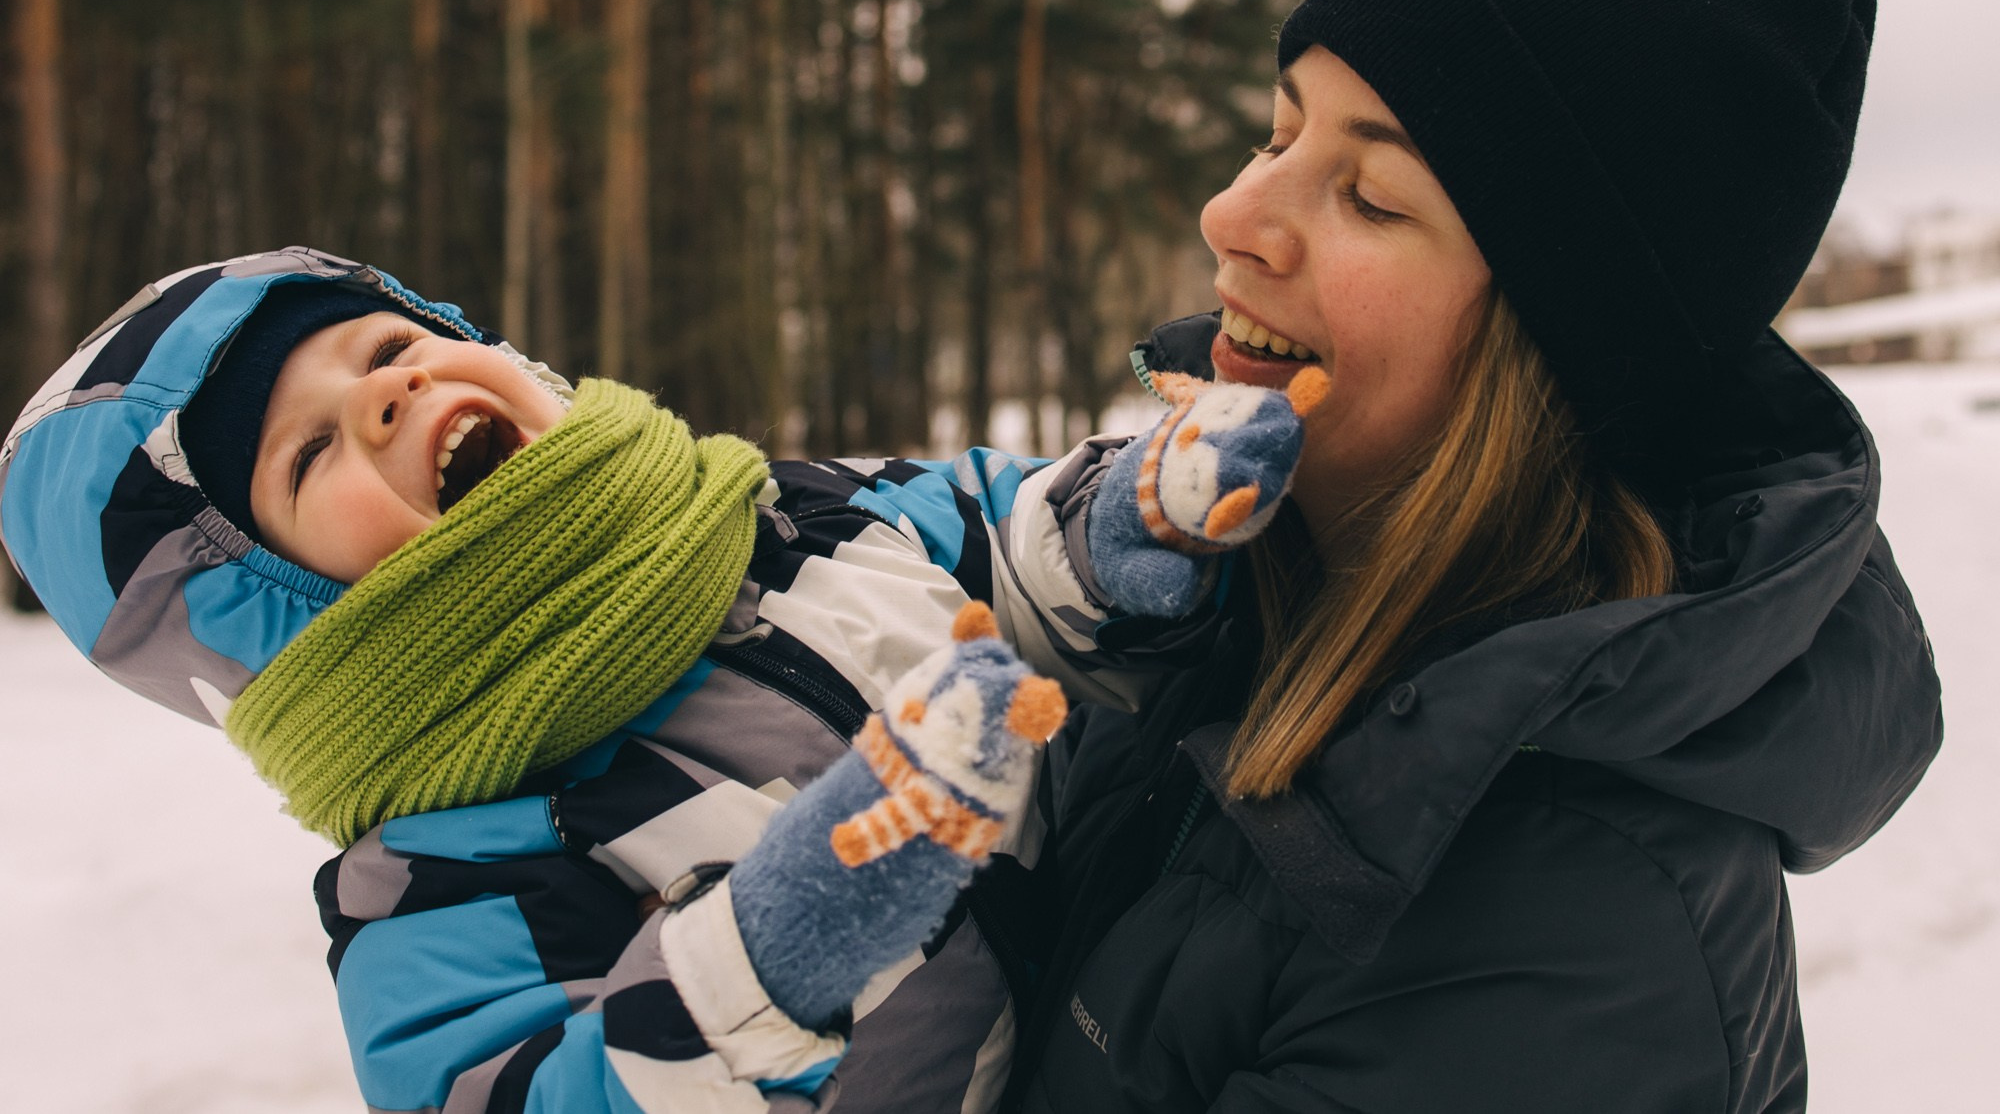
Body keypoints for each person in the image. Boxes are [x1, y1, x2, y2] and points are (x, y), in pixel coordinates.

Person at [992, 0, 1944, 1113]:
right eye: (1276, 138)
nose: (1231, 216)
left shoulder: (1563, 948)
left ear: (1554, 349)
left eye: (1371, 196)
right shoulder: (1198, 585)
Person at [0, 245, 1318, 1113]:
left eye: (386, 350)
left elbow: (988, 539)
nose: (389, 395)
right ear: (277, 620)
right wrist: (777, 953)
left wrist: (1111, 530)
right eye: (310, 454)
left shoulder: (779, 517)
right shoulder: (442, 881)